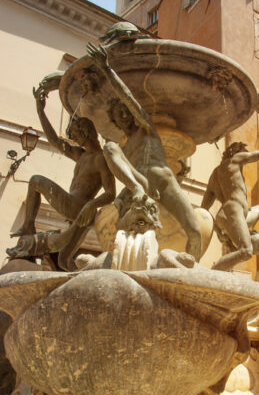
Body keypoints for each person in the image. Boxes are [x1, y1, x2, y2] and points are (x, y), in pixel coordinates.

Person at [85, 42, 202, 260]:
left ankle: (187, 270)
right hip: (140, 183)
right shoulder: (122, 148)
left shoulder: (147, 128)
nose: (124, 115)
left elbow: (128, 96)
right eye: (118, 113)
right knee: (109, 147)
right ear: (114, 120)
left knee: (195, 232)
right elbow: (116, 164)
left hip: (163, 181)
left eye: (125, 111)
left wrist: (107, 69)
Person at [11, 84, 115, 271]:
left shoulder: (101, 158)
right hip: (78, 210)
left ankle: (28, 226)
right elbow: (54, 140)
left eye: (76, 135)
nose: (74, 139)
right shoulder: (80, 155)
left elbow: (111, 193)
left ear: (85, 132)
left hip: (78, 207)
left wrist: (91, 205)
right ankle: (83, 285)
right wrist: (40, 111)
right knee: (63, 260)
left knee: (35, 180)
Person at [201, 119, 259, 271]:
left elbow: (203, 210)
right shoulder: (235, 159)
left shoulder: (214, 176)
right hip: (233, 211)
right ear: (235, 152)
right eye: (244, 153)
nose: (246, 158)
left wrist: (218, 229)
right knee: (246, 251)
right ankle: (212, 274)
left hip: (232, 216)